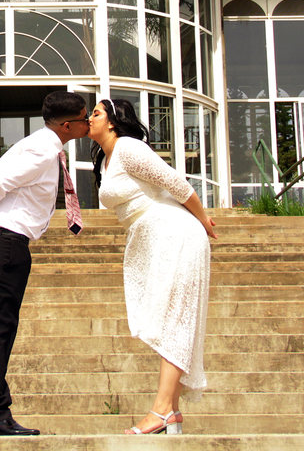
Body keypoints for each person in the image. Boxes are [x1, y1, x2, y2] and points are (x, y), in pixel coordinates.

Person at [0, 91, 91, 437]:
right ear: (68, 126)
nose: (87, 124)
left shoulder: (41, 145)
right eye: (84, 119)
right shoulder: (42, 150)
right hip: (3, 242)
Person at [88, 97, 217, 435]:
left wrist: (203, 219)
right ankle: (170, 411)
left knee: (174, 318)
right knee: (171, 317)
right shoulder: (107, 158)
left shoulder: (129, 148)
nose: (89, 118)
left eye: (96, 113)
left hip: (176, 232)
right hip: (156, 237)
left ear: (113, 121)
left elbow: (175, 183)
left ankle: (160, 411)